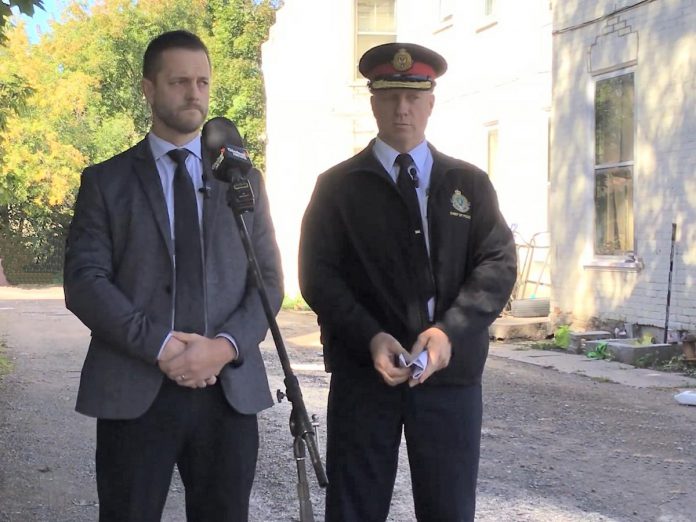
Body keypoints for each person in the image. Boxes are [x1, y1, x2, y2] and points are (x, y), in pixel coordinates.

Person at [63, 30, 283, 521]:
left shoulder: (241, 177)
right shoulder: (107, 182)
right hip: (135, 388)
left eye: (203, 82)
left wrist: (223, 346)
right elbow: (85, 282)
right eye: (180, 81)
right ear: (148, 88)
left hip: (227, 391)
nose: (194, 94)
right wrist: (163, 347)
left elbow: (267, 279)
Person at [298, 42, 517, 521]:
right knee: (354, 507)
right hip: (364, 374)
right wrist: (370, 336)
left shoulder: (468, 183)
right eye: (391, 96)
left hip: (449, 378)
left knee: (448, 509)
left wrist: (448, 333)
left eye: (414, 97)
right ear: (373, 101)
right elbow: (318, 276)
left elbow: (497, 264)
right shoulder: (337, 187)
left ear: (431, 103)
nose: (402, 109)